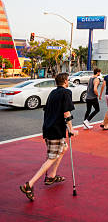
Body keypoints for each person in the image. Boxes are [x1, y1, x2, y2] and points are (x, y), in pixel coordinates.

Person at [19, 73, 78, 201]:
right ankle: (29, 184)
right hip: (55, 130)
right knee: (51, 158)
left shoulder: (53, 92)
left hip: (49, 128)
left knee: (63, 149)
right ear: (65, 81)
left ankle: (52, 175)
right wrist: (71, 129)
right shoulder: (66, 92)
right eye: (68, 80)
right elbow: (66, 113)